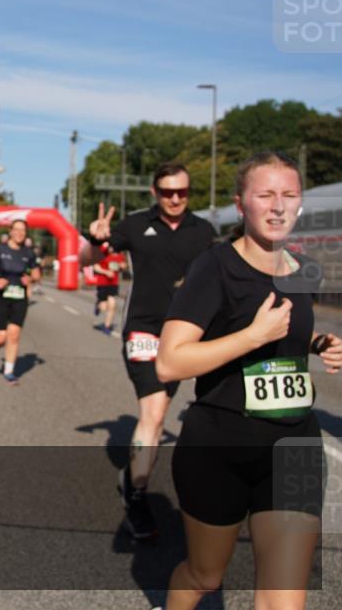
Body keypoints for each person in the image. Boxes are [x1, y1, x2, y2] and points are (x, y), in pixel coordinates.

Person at [156, 151, 340, 608]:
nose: (278, 206)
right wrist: (253, 337)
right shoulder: (214, 267)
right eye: (265, 195)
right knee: (204, 577)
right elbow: (170, 362)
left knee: (284, 599)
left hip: (294, 446)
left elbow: (286, 333)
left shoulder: (304, 271)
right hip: (220, 446)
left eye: (289, 195)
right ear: (241, 205)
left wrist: (318, 342)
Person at [84, 161, 216, 540]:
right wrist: (95, 240)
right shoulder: (134, 224)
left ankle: (130, 477)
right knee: (154, 414)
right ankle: (137, 499)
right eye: (167, 192)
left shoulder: (203, 231)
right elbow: (88, 260)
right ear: (155, 192)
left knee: (160, 415)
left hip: (183, 336)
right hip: (142, 330)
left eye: (182, 192)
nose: (175, 198)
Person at [0, 219, 40, 384]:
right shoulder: (0, 249)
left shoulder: (29, 253)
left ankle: (9, 370)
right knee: (0, 338)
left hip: (20, 298)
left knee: (14, 334)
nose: (20, 233)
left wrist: (30, 278)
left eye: (23, 230)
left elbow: (36, 274)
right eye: (17, 229)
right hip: (1, 297)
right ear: (10, 231)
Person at [92, 249, 126, 335]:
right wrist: (106, 272)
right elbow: (95, 267)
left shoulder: (120, 256)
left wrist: (122, 266)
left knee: (112, 305)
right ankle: (98, 305)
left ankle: (107, 326)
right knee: (104, 307)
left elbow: (124, 266)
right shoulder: (102, 254)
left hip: (113, 284)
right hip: (102, 283)